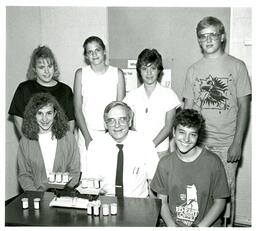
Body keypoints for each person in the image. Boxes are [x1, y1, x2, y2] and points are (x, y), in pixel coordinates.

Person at [182, 16, 251, 226]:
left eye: (212, 34)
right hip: (199, 144)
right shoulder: (193, 70)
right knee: (199, 193)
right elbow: (188, 112)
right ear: (199, 40)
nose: (208, 39)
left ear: (222, 37)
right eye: (203, 36)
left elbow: (244, 107)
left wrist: (237, 143)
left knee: (224, 196)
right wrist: (186, 143)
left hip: (226, 145)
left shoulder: (238, 66)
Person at [150, 109, 230, 227]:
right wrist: (172, 227)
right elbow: (162, 203)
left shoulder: (213, 162)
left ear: (198, 136)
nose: (186, 139)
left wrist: (199, 228)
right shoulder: (165, 164)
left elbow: (220, 202)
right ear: (174, 132)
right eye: (182, 132)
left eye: (192, 134)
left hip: (205, 225)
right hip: (174, 224)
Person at [73, 36, 126, 173]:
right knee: (87, 175)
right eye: (90, 52)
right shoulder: (81, 74)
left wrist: (114, 134)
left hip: (112, 132)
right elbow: (77, 108)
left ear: (104, 51)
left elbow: (121, 109)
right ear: (86, 56)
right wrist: (87, 137)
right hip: (87, 132)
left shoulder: (117, 73)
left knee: (109, 174)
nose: (94, 54)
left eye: (97, 50)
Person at [86, 101, 159, 198]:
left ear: (129, 121)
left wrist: (152, 209)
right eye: (111, 120)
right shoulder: (95, 146)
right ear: (105, 124)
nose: (117, 125)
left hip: (137, 202)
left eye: (122, 119)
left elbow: (153, 182)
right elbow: (90, 183)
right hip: (105, 202)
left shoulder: (145, 143)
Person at [123, 49, 180, 158]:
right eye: (144, 69)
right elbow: (128, 124)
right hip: (138, 149)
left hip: (161, 150)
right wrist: (141, 145)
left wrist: (150, 145)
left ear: (159, 70)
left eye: (153, 68)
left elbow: (168, 126)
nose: (149, 73)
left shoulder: (169, 94)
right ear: (139, 71)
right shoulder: (131, 96)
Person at [17, 93, 80, 191]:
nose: (44, 119)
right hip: (36, 196)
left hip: (63, 196)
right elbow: (24, 176)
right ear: (33, 115)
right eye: (40, 113)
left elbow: (75, 172)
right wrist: (37, 196)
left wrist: (62, 192)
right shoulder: (25, 141)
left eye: (49, 113)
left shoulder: (68, 137)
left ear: (55, 114)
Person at [9, 45, 75, 138]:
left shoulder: (65, 90)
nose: (47, 71)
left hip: (59, 145)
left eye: (50, 66)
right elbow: (18, 119)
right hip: (33, 144)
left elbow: (71, 122)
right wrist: (27, 143)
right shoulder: (24, 88)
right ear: (34, 69)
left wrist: (65, 144)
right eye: (41, 67)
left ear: (54, 67)